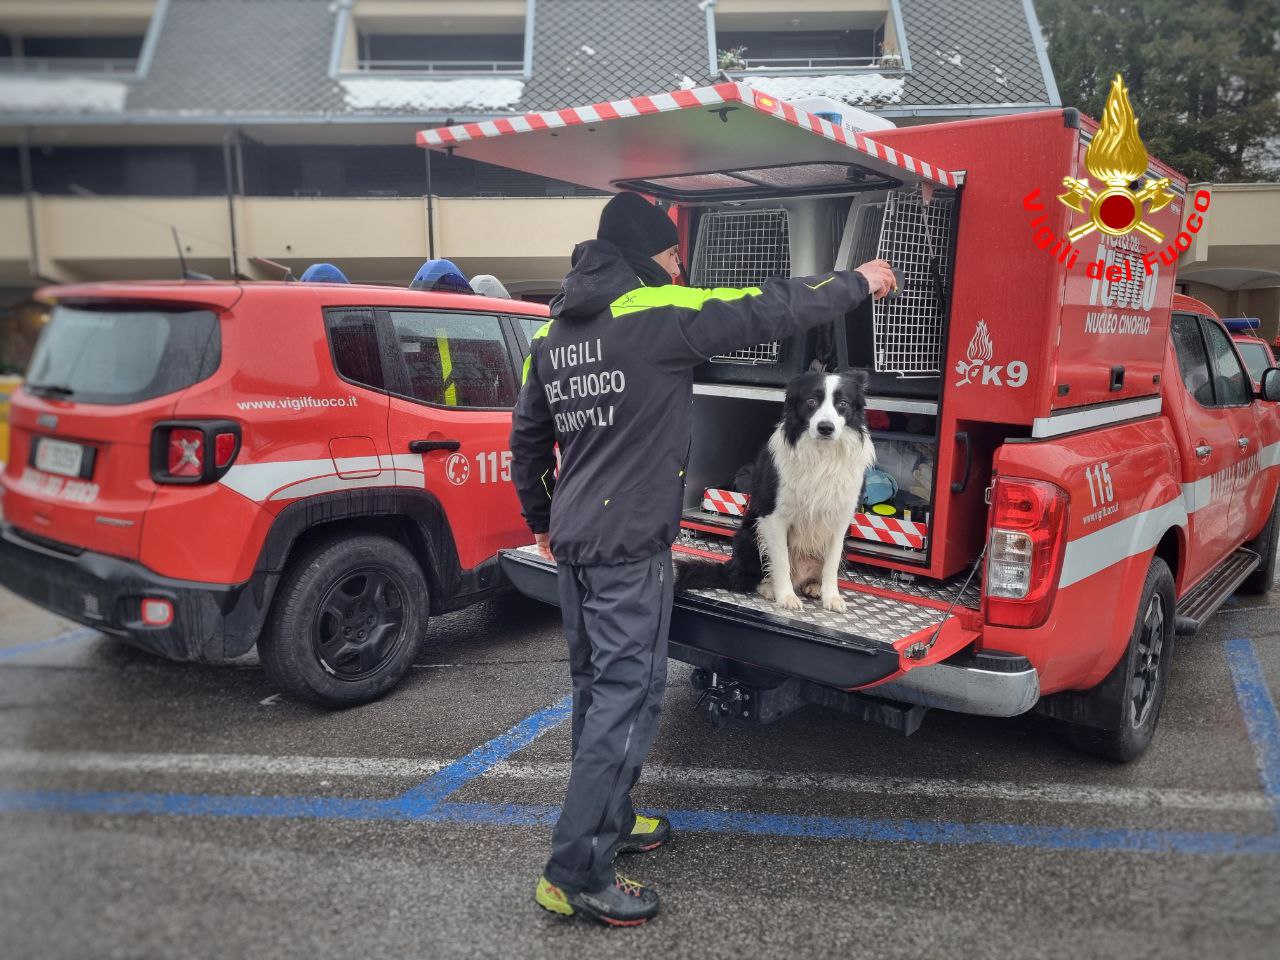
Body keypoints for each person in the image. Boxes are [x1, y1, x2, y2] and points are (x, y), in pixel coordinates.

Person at [510, 191, 895, 927]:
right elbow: (765, 304)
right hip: (628, 549)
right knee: (626, 701)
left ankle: (611, 822)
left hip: (576, 544)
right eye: (672, 256)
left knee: (598, 695)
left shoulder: (551, 336)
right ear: (648, 257)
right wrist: (858, 282)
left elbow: (527, 443)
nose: (680, 265)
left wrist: (538, 519)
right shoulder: (658, 312)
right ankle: (575, 872)